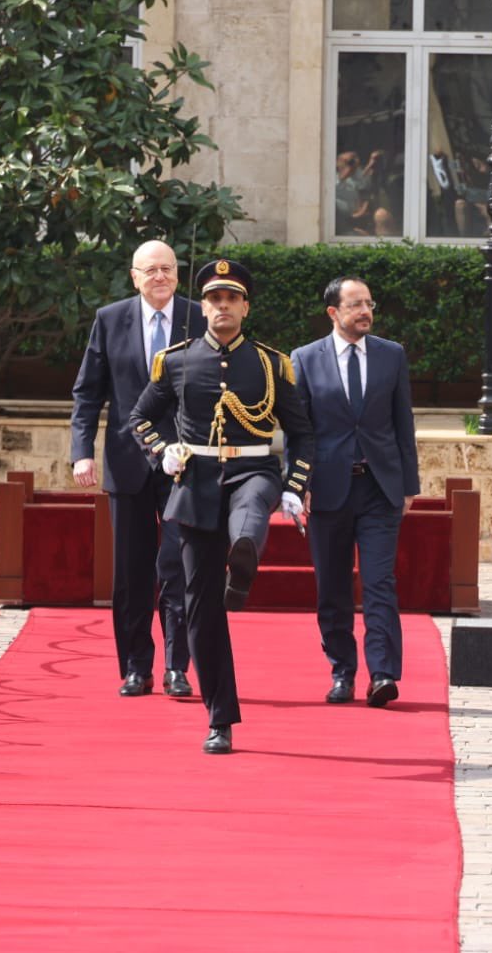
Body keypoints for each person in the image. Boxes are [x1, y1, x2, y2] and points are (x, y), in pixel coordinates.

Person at [125, 258, 315, 754]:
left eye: (231, 298)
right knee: (200, 608)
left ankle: (244, 558)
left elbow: (302, 431)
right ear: (203, 307)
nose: (222, 306)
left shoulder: (273, 363)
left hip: (253, 469)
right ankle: (219, 717)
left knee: (251, 512)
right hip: (196, 481)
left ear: (245, 307)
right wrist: (162, 450)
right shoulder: (178, 360)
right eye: (214, 298)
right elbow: (140, 417)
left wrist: (294, 484)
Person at [69, 239, 199, 699]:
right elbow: (89, 392)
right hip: (126, 464)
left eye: (167, 268)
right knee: (130, 571)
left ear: (178, 275)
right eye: (151, 270)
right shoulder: (110, 320)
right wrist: (81, 450)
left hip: (186, 466)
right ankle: (135, 667)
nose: (160, 276)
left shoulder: (198, 317)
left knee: (180, 567)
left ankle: (177, 667)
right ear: (134, 276)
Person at [290, 276, 422, 708]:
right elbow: (299, 432)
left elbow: (404, 424)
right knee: (332, 586)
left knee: (380, 581)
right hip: (328, 489)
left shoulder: (392, 355)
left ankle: (382, 673)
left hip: (380, 488)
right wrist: (298, 484)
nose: (365, 311)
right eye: (355, 305)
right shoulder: (305, 359)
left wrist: (408, 485)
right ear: (333, 313)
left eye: (369, 303)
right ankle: (342, 671)